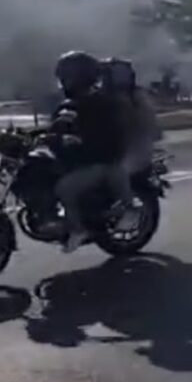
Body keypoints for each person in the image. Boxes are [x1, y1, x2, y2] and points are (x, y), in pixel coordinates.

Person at [52, 51, 125, 253]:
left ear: (81, 78)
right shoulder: (70, 104)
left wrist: (78, 140)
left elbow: (105, 136)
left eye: (67, 78)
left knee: (64, 188)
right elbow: (57, 127)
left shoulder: (99, 104)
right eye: (62, 79)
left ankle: (78, 230)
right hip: (81, 160)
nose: (64, 83)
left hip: (101, 162)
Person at [101, 57, 160, 231]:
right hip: (117, 149)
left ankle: (128, 210)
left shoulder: (134, 97)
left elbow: (149, 125)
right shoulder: (106, 97)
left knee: (115, 173)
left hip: (135, 149)